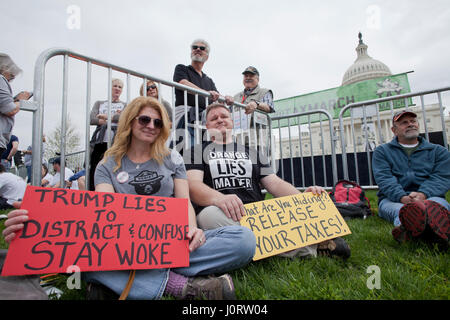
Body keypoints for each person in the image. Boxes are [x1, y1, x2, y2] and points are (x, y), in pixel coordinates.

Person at [2, 96, 255, 300]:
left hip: (173, 241)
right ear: (130, 122)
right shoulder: (107, 165)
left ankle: (120, 279)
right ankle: (177, 285)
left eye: (158, 122)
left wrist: (191, 229)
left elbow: (183, 202)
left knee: (244, 240)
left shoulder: (172, 159)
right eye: (145, 119)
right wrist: (36, 222)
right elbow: (103, 210)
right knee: (85, 253)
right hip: (124, 244)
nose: (151, 126)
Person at [185, 103, 350, 259]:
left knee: (297, 205)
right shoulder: (197, 151)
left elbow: (275, 183)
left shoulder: (252, 152)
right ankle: (312, 247)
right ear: (207, 126)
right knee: (209, 216)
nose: (220, 120)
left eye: (224, 116)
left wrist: (302, 199)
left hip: (255, 214)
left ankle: (250, 245)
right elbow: (193, 185)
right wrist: (220, 199)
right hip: (219, 211)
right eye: (214, 118)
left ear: (232, 122)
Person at [372, 110, 450, 246]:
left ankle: (410, 233)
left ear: (418, 125)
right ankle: (432, 234)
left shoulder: (439, 151)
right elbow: (384, 178)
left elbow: (441, 177)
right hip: (392, 200)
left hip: (430, 198)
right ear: (394, 130)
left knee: (438, 207)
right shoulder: (382, 152)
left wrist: (422, 194)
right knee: (401, 212)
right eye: (404, 123)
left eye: (413, 121)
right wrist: (403, 198)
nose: (410, 124)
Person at [172, 39, 232, 150]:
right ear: (191, 52)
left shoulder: (209, 80)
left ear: (207, 56)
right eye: (195, 47)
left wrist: (226, 98)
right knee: (186, 150)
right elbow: (183, 83)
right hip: (185, 116)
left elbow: (217, 98)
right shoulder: (181, 68)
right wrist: (206, 93)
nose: (198, 49)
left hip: (204, 120)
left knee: (205, 150)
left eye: (202, 48)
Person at [88, 78, 127, 191]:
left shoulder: (125, 105)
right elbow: (92, 119)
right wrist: (114, 117)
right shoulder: (99, 103)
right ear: (110, 87)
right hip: (100, 142)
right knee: (95, 167)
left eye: (120, 87)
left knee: (117, 168)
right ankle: (92, 192)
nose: (117, 89)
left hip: (117, 143)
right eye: (115, 86)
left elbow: (125, 119)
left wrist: (105, 116)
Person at [0, 53, 31, 157]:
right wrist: (21, 100)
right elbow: (10, 109)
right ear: (4, 68)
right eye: (11, 75)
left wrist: (15, 100)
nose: (12, 79)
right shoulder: (1, 79)